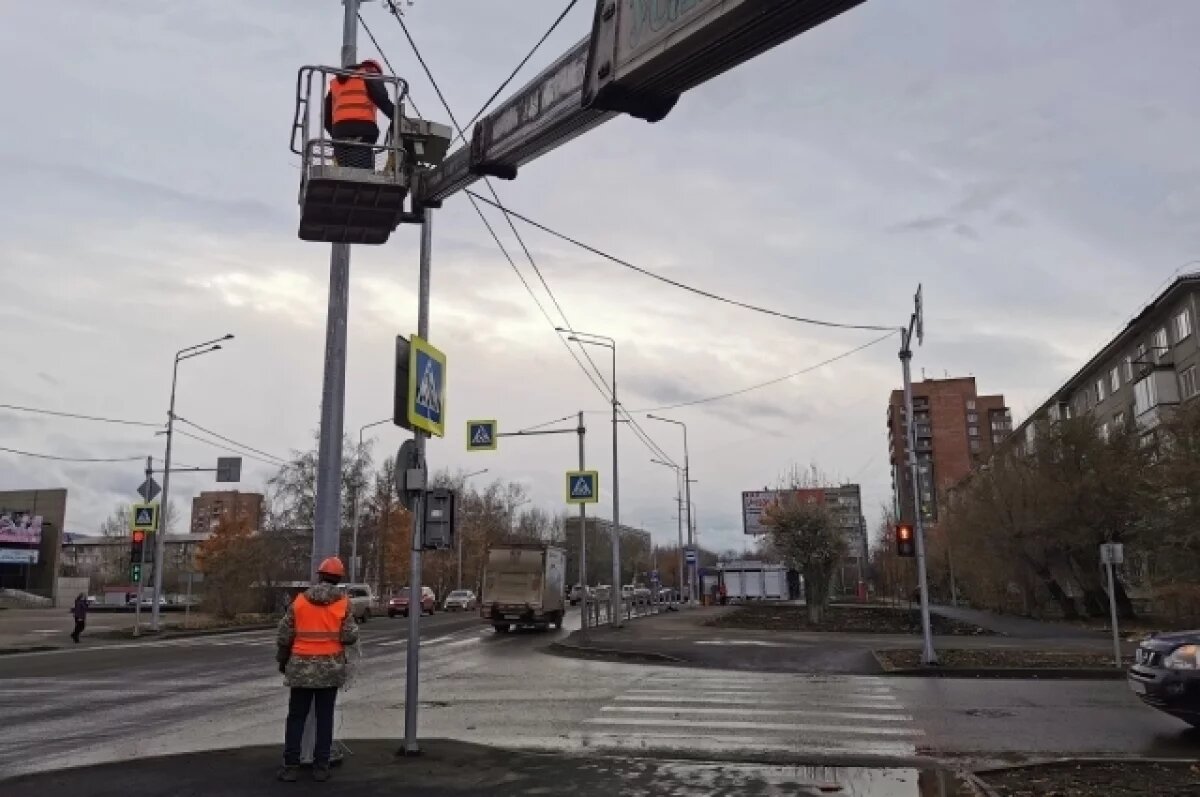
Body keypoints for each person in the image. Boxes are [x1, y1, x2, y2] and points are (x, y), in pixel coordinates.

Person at [276, 556, 359, 782]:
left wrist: (282, 661)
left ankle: (291, 766)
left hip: (300, 667)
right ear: (338, 578)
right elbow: (350, 636)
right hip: (330, 668)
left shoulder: (300, 601)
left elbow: (284, 635)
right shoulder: (343, 603)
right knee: (324, 718)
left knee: (296, 718)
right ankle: (321, 766)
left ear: (320, 576)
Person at [323, 59, 396, 169]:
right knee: (362, 175)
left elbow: (326, 117)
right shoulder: (370, 74)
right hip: (362, 132)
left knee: (343, 175)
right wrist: (398, 117)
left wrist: (336, 135)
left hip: (339, 135)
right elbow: (382, 99)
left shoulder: (336, 83)